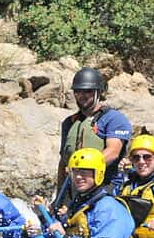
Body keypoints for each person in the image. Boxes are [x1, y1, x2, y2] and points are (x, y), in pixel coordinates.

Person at [56, 67, 132, 199]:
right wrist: (59, 197)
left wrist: (79, 169)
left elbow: (113, 152)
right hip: (75, 190)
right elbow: (63, 163)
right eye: (78, 91)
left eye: (88, 91)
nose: (82, 95)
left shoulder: (113, 119)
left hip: (105, 189)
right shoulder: (69, 123)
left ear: (99, 92)